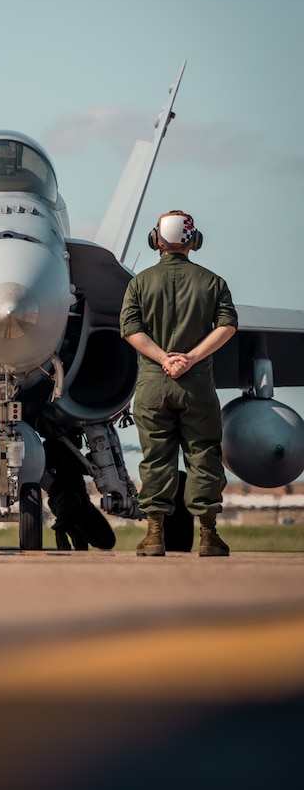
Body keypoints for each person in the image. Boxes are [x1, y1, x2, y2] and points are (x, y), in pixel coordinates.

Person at [119, 210, 237, 557]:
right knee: (203, 454)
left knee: (156, 459)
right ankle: (209, 537)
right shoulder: (213, 282)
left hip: (154, 386)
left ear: (156, 240)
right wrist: (190, 358)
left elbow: (130, 329)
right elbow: (227, 326)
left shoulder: (139, 283)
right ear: (193, 241)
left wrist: (164, 359)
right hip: (197, 384)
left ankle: (155, 536)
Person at [43, 431, 116, 551]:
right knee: (71, 499)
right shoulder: (49, 451)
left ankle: (76, 532)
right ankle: (61, 531)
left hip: (82, 502)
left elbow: (85, 468)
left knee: (107, 541)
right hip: (62, 500)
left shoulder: (74, 454)